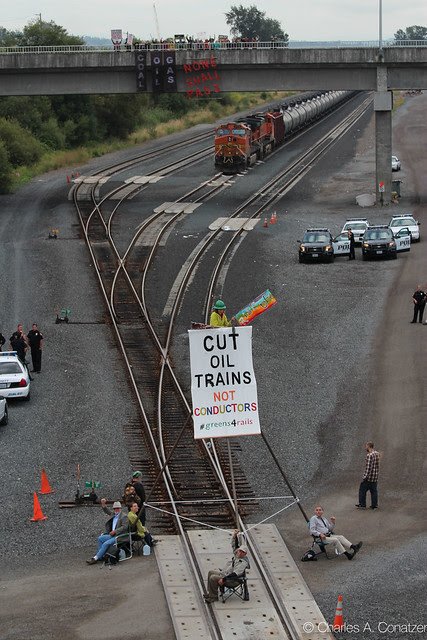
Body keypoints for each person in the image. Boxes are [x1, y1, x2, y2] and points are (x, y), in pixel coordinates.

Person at [204, 529, 249, 602]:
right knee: (211, 572)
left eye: (242, 552)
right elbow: (235, 546)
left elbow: (235, 574)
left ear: (245, 554)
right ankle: (210, 593)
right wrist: (235, 536)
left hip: (232, 580)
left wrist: (224, 579)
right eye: (240, 551)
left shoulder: (243, 562)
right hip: (226, 574)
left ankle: (213, 597)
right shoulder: (237, 555)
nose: (240, 553)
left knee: (213, 578)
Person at [86, 501, 129, 565]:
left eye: (117, 508)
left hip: (120, 536)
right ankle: (102, 555)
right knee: (100, 538)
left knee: (106, 543)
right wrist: (103, 504)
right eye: (114, 508)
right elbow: (106, 511)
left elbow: (125, 527)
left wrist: (115, 531)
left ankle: (95, 558)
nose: (116, 510)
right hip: (113, 535)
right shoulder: (113, 514)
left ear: (121, 508)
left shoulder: (124, 516)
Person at [356, 441, 380, 509]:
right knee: (374, 491)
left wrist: (364, 477)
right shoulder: (377, 453)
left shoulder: (369, 455)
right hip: (375, 477)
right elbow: (377, 465)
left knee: (362, 490)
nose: (365, 447)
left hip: (369, 478)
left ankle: (362, 504)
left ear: (368, 446)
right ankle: (374, 505)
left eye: (366, 446)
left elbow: (368, 468)